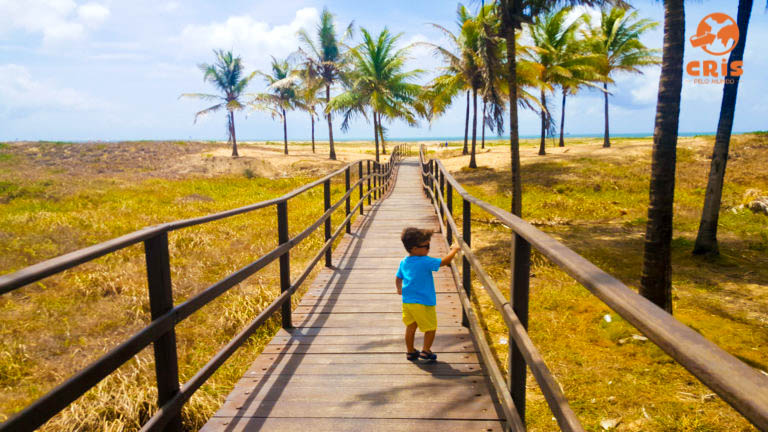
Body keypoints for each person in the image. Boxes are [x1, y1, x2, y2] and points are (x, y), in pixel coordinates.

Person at [395, 227, 460, 362]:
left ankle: (410, 351)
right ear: (413, 248)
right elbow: (444, 262)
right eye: (426, 246)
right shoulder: (425, 261)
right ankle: (426, 351)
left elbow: (398, 277)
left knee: (411, 327)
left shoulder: (404, 261)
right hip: (423, 302)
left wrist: (399, 289)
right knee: (430, 328)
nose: (428, 249)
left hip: (408, 301)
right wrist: (454, 250)